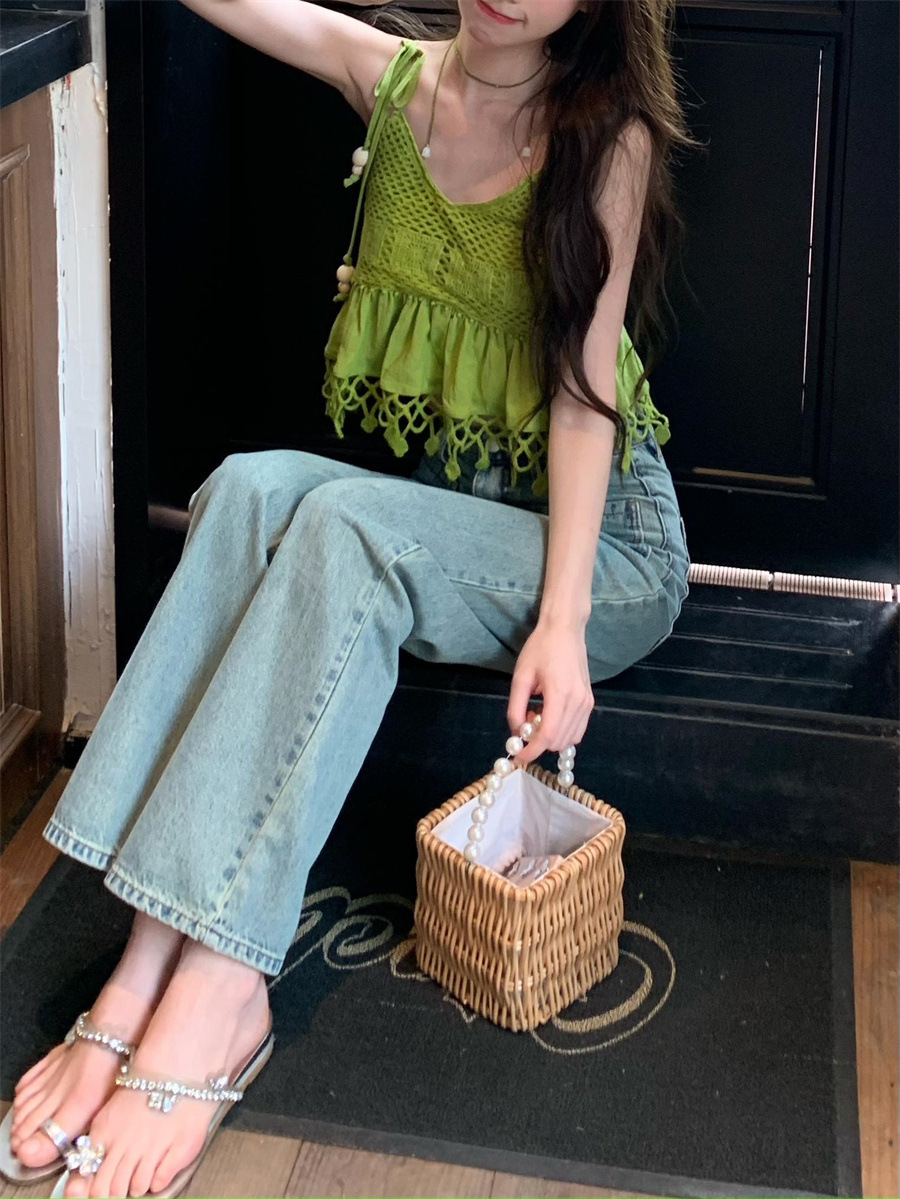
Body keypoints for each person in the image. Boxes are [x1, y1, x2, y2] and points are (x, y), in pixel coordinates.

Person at [2, 1, 697, 1195]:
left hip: (605, 554)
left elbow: (586, 399)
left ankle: (223, 985)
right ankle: (139, 965)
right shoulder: (393, 81)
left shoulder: (604, 136)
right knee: (247, 490)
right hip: (457, 525)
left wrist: (564, 621)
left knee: (342, 527)